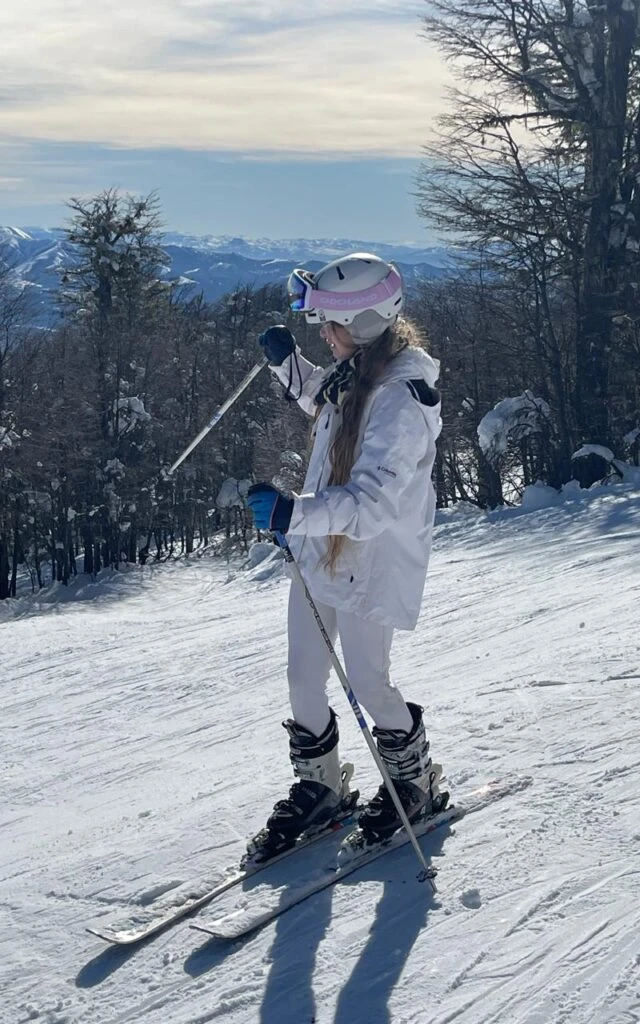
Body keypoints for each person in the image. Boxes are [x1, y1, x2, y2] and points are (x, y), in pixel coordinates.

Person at [244, 252, 445, 858]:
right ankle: (322, 787)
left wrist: (291, 513)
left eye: (328, 325)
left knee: (367, 680)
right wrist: (289, 368)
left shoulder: (402, 398)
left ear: (362, 322)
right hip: (322, 550)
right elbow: (326, 406)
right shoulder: (357, 368)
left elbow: (371, 505)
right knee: (303, 674)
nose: (322, 335)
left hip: (371, 558)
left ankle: (415, 781)